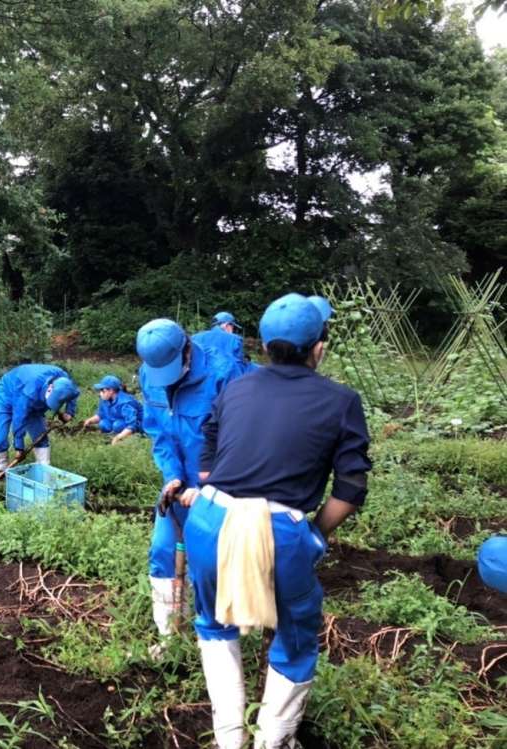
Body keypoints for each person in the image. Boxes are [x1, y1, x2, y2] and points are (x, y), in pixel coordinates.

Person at [179, 293, 371, 749]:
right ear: (318, 347)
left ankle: (230, 740)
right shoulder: (341, 400)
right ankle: (274, 741)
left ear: (264, 346)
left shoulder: (236, 387)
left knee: (213, 626)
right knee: (295, 637)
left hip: (207, 520)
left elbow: (208, 446)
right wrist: (314, 535)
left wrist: (215, 479)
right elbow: (351, 487)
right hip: (278, 530)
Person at [137, 319, 240, 640]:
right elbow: (158, 433)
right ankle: (171, 638)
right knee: (162, 551)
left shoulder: (225, 375)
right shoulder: (149, 375)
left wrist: (208, 487)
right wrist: (172, 476)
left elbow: (240, 441)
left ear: (187, 350)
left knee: (207, 562)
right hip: (179, 486)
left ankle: (211, 637)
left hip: (222, 486)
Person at [0, 364, 80, 470]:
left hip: (35, 399)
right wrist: (19, 447)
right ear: (50, 388)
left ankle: (44, 469)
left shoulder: (64, 381)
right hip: (7, 393)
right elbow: (19, 418)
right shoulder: (30, 391)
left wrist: (69, 412)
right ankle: (1, 468)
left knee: (39, 436)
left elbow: (74, 393)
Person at [192, 311, 258, 377]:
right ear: (227, 325)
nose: (233, 331)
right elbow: (240, 365)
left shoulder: (194, 338)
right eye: (233, 328)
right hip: (226, 382)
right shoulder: (233, 339)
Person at [82, 374, 142, 445]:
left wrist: (118, 437)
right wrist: (89, 421)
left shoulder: (125, 403)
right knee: (103, 424)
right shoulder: (105, 399)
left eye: (102, 390)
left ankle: (129, 435)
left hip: (135, 423)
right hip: (117, 420)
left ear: (111, 391)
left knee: (117, 425)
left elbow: (132, 424)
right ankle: (115, 434)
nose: (100, 393)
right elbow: (100, 415)